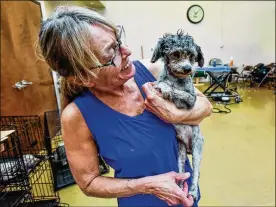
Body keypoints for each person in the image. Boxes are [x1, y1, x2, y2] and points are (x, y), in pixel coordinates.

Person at [37, 6, 212, 207]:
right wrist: (147, 186)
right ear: (84, 77)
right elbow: (88, 182)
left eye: (118, 41)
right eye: (110, 53)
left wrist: (175, 114)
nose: (127, 51)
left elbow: (205, 105)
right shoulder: (76, 116)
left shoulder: (155, 72)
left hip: (187, 198)